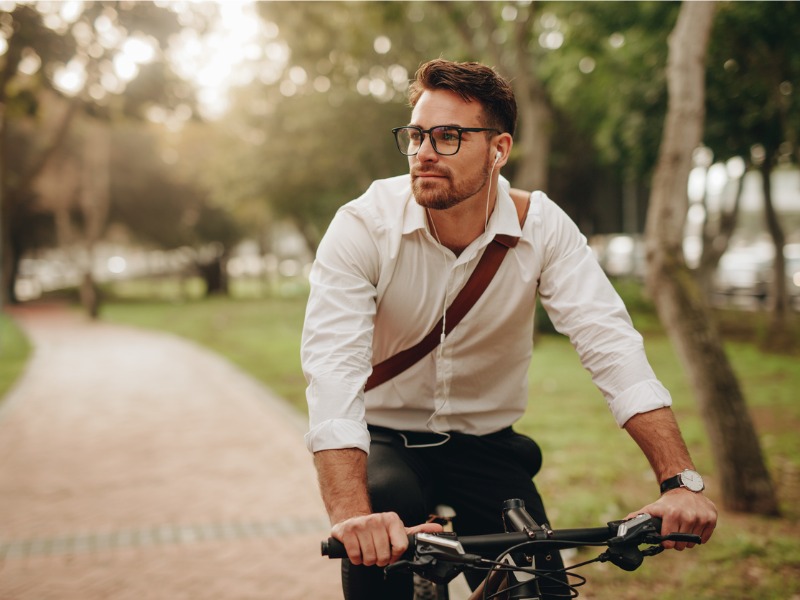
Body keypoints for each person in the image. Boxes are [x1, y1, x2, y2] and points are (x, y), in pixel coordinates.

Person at [301, 58, 717, 599]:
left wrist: (678, 481)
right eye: (416, 135)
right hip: (385, 441)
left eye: (448, 136)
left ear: (499, 150)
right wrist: (352, 517)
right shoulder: (363, 225)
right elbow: (333, 369)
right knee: (383, 512)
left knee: (537, 582)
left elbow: (611, 346)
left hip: (487, 446)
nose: (424, 152)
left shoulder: (542, 227)